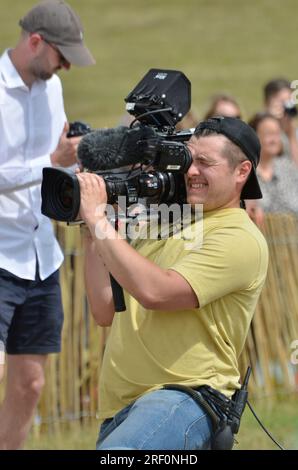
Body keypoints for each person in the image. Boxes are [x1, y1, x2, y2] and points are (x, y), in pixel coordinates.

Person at [78, 116, 268, 450]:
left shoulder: (239, 236)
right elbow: (105, 309)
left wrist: (97, 220)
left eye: (206, 163)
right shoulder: (164, 224)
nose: (191, 171)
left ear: (242, 171)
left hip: (184, 397)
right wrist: (90, 227)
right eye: (188, 159)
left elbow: (157, 292)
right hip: (120, 406)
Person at [0, 0, 95, 449]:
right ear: (35, 42)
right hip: (1, 253)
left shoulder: (51, 87)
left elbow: (58, 162)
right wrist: (49, 163)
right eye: (62, 56)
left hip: (43, 256)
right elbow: (40, 164)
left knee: (30, 385)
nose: (66, 67)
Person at [246, 112, 298, 226]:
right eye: (268, 134)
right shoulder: (245, 172)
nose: (274, 140)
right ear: (254, 136)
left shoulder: (288, 167)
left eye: (277, 133)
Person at [263, 78, 298, 165]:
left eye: (289, 102)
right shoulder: (258, 132)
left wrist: (291, 135)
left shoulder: (294, 132)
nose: (286, 107)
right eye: (281, 102)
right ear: (267, 104)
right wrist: (269, 120)